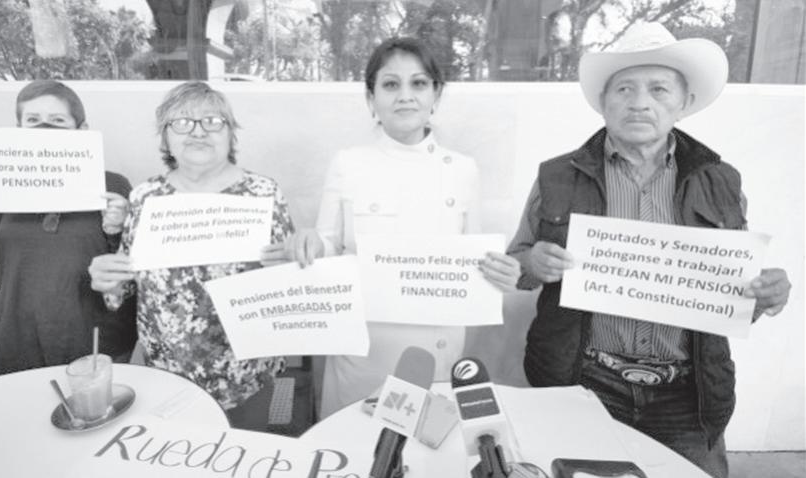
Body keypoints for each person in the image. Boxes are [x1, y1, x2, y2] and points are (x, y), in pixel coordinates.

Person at [501, 23, 791, 477]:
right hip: (583, 383)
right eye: (624, 89)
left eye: (658, 89)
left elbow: (731, 297)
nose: (639, 102)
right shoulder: (556, 177)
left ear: (684, 102)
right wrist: (533, 262)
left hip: (686, 395)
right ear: (604, 101)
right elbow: (515, 268)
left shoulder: (722, 182)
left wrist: (763, 296)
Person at [263, 37, 521, 418]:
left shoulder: (463, 169)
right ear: (371, 98)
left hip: (435, 356)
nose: (405, 96)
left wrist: (501, 272)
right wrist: (309, 244)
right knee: (350, 448)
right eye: (390, 84)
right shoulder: (348, 164)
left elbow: (474, 260)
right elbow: (328, 245)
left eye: (418, 83)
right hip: (362, 357)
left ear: (436, 94)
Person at [87, 81, 294, 431]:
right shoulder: (145, 196)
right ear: (165, 138)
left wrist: (293, 269)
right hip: (166, 377)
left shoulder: (264, 192)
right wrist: (109, 281)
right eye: (182, 123)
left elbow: (289, 284)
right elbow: (126, 286)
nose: (198, 132)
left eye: (212, 121)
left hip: (248, 376)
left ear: (231, 134)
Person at [0, 80, 137, 376]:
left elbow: (131, 271)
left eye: (58, 120)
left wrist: (117, 231)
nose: (44, 129)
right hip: (17, 344)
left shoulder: (113, 185)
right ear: (19, 128)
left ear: (82, 130)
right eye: (33, 120)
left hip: (97, 343)